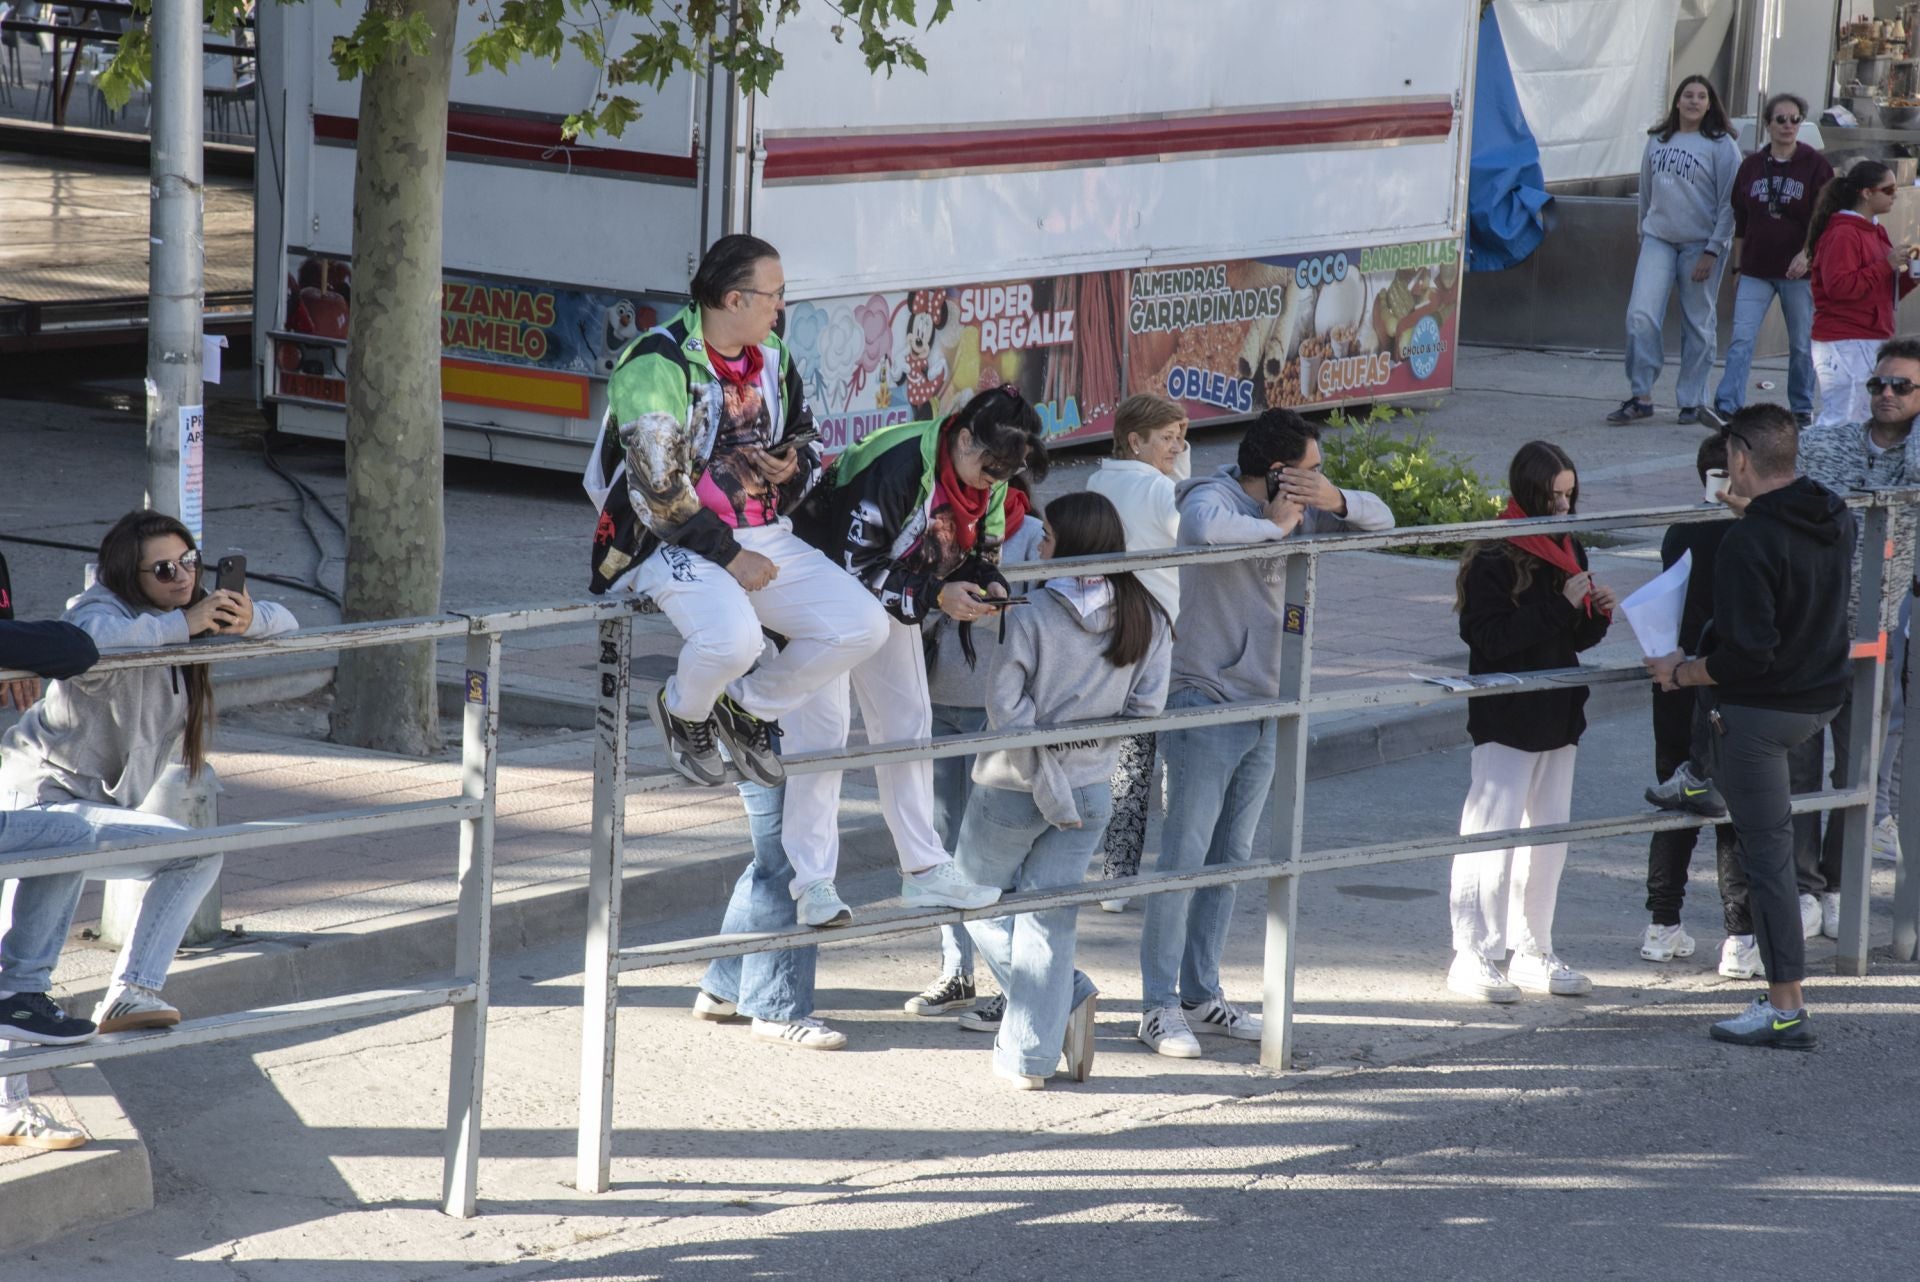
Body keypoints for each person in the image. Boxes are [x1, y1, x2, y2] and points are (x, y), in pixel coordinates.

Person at [0, 513, 296, 1140]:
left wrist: (249, 617)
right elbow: (90, 640)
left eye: (191, 561)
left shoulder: (185, 617)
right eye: (165, 569)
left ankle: (131, 992)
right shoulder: (100, 608)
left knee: (196, 853)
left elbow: (290, 622)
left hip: (93, 809)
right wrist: (181, 624)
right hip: (35, 794)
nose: (184, 577)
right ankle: (9, 1104)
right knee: (23, 970)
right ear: (127, 572)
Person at [584, 234, 891, 796]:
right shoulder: (657, 361)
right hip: (666, 541)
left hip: (760, 533)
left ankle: (746, 709)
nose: (781, 307)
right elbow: (657, 491)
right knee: (735, 642)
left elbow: (806, 435)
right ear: (733, 299)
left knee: (864, 625)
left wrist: (790, 465)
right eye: (775, 295)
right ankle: (684, 711)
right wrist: (731, 556)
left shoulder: (774, 355)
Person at [1138, 410, 1394, 1058]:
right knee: (1183, 863)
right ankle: (1156, 1007)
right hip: (1207, 700)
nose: (1319, 481)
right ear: (1277, 472)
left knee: (1231, 861)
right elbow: (1201, 529)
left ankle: (1199, 994)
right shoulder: (1212, 498)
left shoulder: (1305, 501)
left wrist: (1333, 499)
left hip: (1272, 705)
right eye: (1311, 471)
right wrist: (1277, 525)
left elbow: (1384, 522)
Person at [788, 387, 1048, 925]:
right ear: (963, 436)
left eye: (1005, 472)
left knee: (909, 720)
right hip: (820, 589)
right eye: (988, 465)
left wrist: (988, 587)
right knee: (825, 732)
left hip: (890, 587)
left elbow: (978, 557)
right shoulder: (900, 462)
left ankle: (924, 870)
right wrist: (933, 596)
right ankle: (812, 883)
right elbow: (852, 564)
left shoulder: (992, 482)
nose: (992, 479)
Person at [1647, 404, 1853, 1049]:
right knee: (1769, 855)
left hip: (1761, 716)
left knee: (1768, 863)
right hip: (1821, 701)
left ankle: (1784, 1008)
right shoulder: (1832, 514)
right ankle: (1698, 774)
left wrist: (1679, 673)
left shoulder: (1748, 544)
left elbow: (1744, 657)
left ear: (1736, 460)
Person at [954, 492, 1170, 1088]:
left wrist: (1045, 762)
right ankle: (1029, 1055)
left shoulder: (1029, 613)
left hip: (1012, 782)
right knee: (1049, 920)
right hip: (1090, 788)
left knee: (962, 894)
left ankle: (1067, 992)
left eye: (1046, 536)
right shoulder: (1147, 614)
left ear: (1070, 543)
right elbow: (1146, 708)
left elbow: (1004, 707)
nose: (1039, 545)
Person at [1639, 436, 1823, 978]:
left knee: (1676, 803)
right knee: (1732, 813)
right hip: (1726, 685)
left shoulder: (1680, 531)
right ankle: (1738, 937)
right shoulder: (1753, 534)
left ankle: (1661, 924)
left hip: (1673, 681)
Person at [1447, 442, 1615, 1003]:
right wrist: (1563, 607)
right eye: (1554, 495)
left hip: (1558, 710)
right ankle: (1472, 953)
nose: (1564, 506)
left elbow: (1572, 639)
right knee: (1490, 838)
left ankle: (1532, 948)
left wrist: (1596, 615)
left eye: (1570, 494)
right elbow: (1490, 639)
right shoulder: (1495, 553)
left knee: (1549, 841)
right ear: (1529, 491)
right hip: (1508, 713)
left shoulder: (1567, 546)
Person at [904, 475, 1045, 1021]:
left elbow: (1044, 615)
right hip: (941, 699)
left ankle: (1013, 982)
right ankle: (955, 971)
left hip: (1001, 712)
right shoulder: (938, 530)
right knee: (943, 841)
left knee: (998, 855)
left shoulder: (1034, 535)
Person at [1797, 338, 1920, 935]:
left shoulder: (1914, 455)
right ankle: (1803, 885)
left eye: (1902, 386)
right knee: (1798, 756)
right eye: (1878, 384)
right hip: (1810, 623)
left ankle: (1841, 881)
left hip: (1878, 629)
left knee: (1858, 764)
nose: (1887, 395)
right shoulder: (1827, 441)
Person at [1084, 393, 1187, 914]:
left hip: (1107, 620)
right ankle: (1127, 875)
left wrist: (1172, 459)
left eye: (1179, 436)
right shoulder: (1154, 488)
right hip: (1152, 630)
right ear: (1135, 440)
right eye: (1167, 438)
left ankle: (1110, 870)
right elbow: (1192, 525)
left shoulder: (1101, 480)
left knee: (1116, 752)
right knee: (1141, 755)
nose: (1177, 446)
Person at [1607, 75, 1741, 426]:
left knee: (1698, 322)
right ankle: (1641, 395)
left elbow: (1731, 202)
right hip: (1658, 240)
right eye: (1688, 95)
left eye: (1701, 96)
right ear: (1677, 102)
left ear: (1710, 103)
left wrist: (1714, 249)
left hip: (1702, 244)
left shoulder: (1721, 145)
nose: (1694, 101)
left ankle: (1692, 400)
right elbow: (1646, 193)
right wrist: (1643, 234)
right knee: (1639, 315)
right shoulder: (1658, 140)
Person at [1709, 92, 1832, 429]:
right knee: (1741, 339)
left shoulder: (1816, 165)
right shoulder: (1751, 165)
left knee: (1801, 344)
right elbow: (1741, 219)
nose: (1788, 126)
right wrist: (1737, 266)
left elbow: (1824, 217)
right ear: (1767, 124)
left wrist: (1807, 254)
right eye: (1781, 119)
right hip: (1756, 268)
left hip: (1798, 272)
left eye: (1795, 119)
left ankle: (1802, 408)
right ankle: (1728, 405)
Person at [1807, 161, 1917, 429]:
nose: (1895, 195)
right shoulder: (1844, 233)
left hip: (1869, 335)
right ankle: (1818, 465)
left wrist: (1909, 277)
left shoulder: (1874, 231)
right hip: (1845, 338)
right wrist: (1885, 265)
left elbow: (1881, 293)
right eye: (1888, 189)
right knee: (1843, 416)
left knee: (1861, 416)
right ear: (1866, 193)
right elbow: (1840, 288)